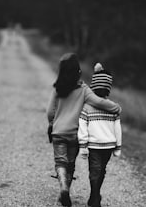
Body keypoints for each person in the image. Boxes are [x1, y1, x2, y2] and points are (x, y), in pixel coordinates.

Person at [46, 53, 121, 207]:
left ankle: (63, 189)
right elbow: (99, 101)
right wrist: (116, 108)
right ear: (77, 71)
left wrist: (52, 123)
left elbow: (50, 112)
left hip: (58, 132)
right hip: (74, 134)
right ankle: (66, 189)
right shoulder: (83, 89)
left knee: (60, 162)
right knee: (70, 164)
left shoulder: (57, 88)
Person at [78, 63, 122, 207]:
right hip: (103, 146)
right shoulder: (112, 107)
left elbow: (82, 126)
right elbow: (117, 129)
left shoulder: (88, 106)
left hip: (99, 146)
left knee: (97, 171)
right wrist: (118, 147)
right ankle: (95, 198)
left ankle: (94, 196)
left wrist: (83, 145)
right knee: (99, 171)